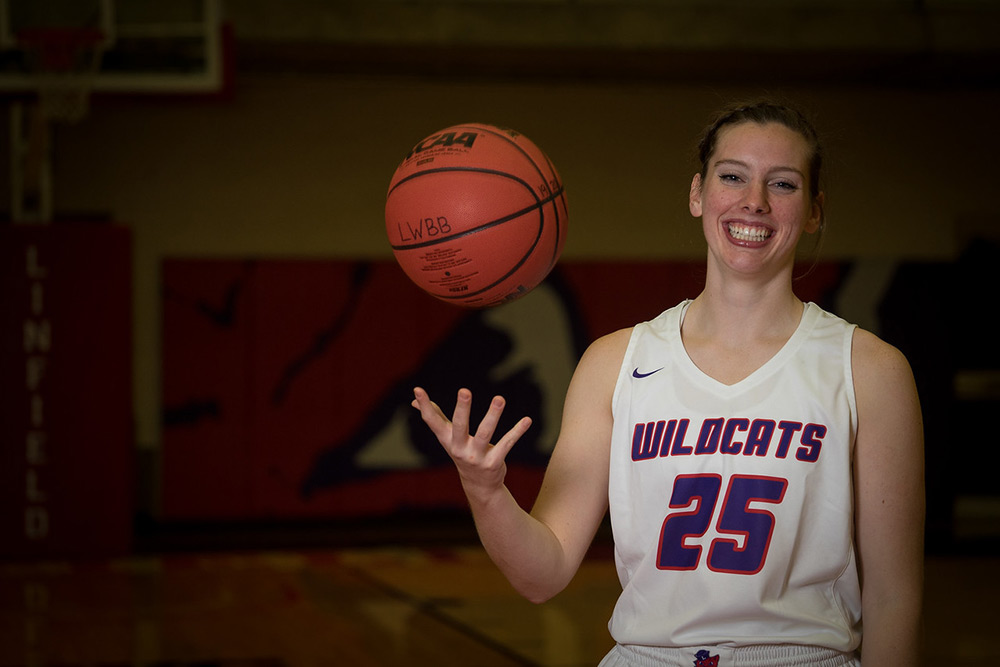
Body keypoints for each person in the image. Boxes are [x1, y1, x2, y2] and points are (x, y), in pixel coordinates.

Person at [411, 100, 924, 666]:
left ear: (813, 211)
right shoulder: (614, 362)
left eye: (782, 184)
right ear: (697, 194)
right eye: (732, 176)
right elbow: (544, 573)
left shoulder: (869, 370)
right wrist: (486, 493)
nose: (754, 201)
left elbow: (893, 595)